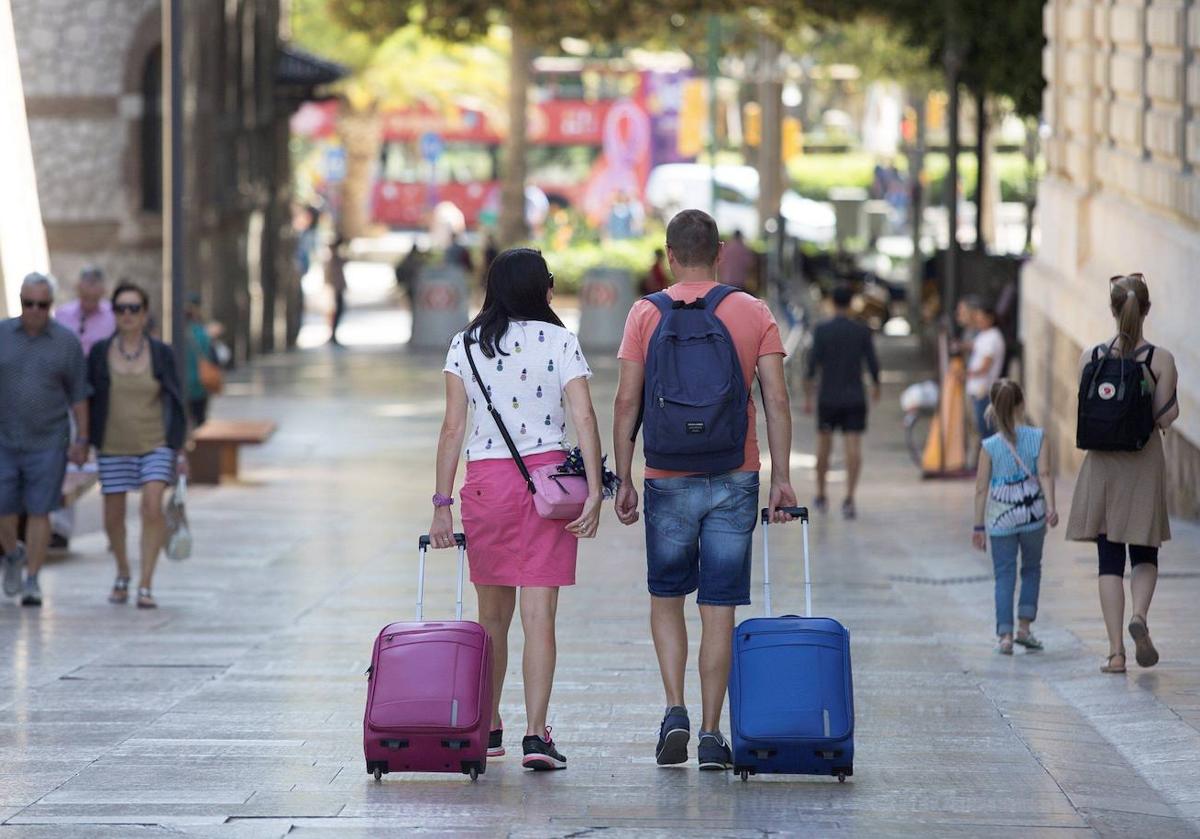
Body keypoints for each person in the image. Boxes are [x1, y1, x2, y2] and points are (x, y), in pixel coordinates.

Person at [612, 209, 798, 771]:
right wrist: (781, 478)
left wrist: (624, 476)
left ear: (669, 256)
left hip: (666, 475)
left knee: (666, 598)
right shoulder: (752, 311)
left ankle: (675, 710)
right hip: (734, 473)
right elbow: (777, 401)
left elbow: (627, 402)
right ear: (719, 252)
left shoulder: (645, 313)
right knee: (719, 608)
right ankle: (714, 734)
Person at [430, 248, 603, 771]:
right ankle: (535, 735)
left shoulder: (464, 345)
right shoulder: (561, 341)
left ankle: (488, 727)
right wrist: (595, 488)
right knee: (540, 617)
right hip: (548, 488)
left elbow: (453, 429)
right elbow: (585, 416)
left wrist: (442, 504)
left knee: (491, 620)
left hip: (486, 485)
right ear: (540, 289)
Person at [1067, 273, 1180, 674]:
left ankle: (1115, 653)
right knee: (1145, 553)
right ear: (1145, 310)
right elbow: (1167, 416)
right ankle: (1140, 617)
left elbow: (1083, 408)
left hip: (1101, 466)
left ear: (1113, 310)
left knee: (1108, 560)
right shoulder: (1159, 359)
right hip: (1142, 464)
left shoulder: (1092, 357)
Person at [87, 283, 188, 609]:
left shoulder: (161, 353)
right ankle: (123, 571)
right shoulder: (100, 352)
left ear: (145, 314)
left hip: (155, 442)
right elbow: (88, 400)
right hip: (113, 445)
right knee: (112, 517)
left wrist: (180, 448)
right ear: (113, 313)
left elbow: (176, 399)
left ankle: (146, 583)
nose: (127, 315)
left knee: (152, 506)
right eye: (120, 309)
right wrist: (82, 440)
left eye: (134, 309)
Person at [0, 273, 89, 607]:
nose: (35, 310)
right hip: (4, 438)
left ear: (50, 305)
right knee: (3, 508)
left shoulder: (65, 342)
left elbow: (79, 395)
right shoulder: (2, 335)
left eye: (42, 304)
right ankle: (12, 554)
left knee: (40, 510)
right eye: (28, 303)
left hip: (49, 440)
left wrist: (83, 438)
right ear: (20, 301)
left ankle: (33, 579)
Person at [972, 379, 1058, 655]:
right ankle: (1024, 628)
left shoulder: (989, 446)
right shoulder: (1038, 437)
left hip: (1001, 519)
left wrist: (978, 526)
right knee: (1032, 568)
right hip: (1032, 515)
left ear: (994, 408)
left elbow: (981, 488)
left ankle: (1005, 636)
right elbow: (1045, 474)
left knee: (1004, 575)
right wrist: (1051, 507)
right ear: (1022, 404)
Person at [803, 284, 881, 519]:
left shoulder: (822, 330)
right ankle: (849, 497)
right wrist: (876, 386)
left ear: (831, 302)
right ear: (851, 304)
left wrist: (808, 396)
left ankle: (821, 494)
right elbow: (872, 363)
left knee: (823, 448)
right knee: (853, 447)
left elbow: (811, 367)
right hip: (855, 396)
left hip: (828, 396)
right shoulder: (862, 331)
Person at [965, 302, 1006, 440]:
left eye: (981, 318)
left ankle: (992, 460)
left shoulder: (993, 337)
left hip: (984, 390)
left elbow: (985, 367)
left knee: (986, 430)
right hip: (977, 389)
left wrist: (966, 374)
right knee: (981, 429)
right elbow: (973, 347)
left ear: (989, 318)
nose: (978, 321)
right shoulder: (984, 335)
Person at [55, 265, 116, 357]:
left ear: (103, 291)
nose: (89, 300)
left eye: (94, 298)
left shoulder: (113, 314)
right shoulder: (62, 314)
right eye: (86, 297)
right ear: (78, 288)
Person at [184, 294, 216, 426]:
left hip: (185, 383)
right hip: (202, 382)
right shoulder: (204, 334)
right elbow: (213, 357)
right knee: (200, 421)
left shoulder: (180, 333)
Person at [325, 234, 348, 346]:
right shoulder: (333, 258)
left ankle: (333, 334)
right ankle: (332, 335)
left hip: (337, 289)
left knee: (339, 311)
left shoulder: (336, 258)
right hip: (335, 289)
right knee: (335, 312)